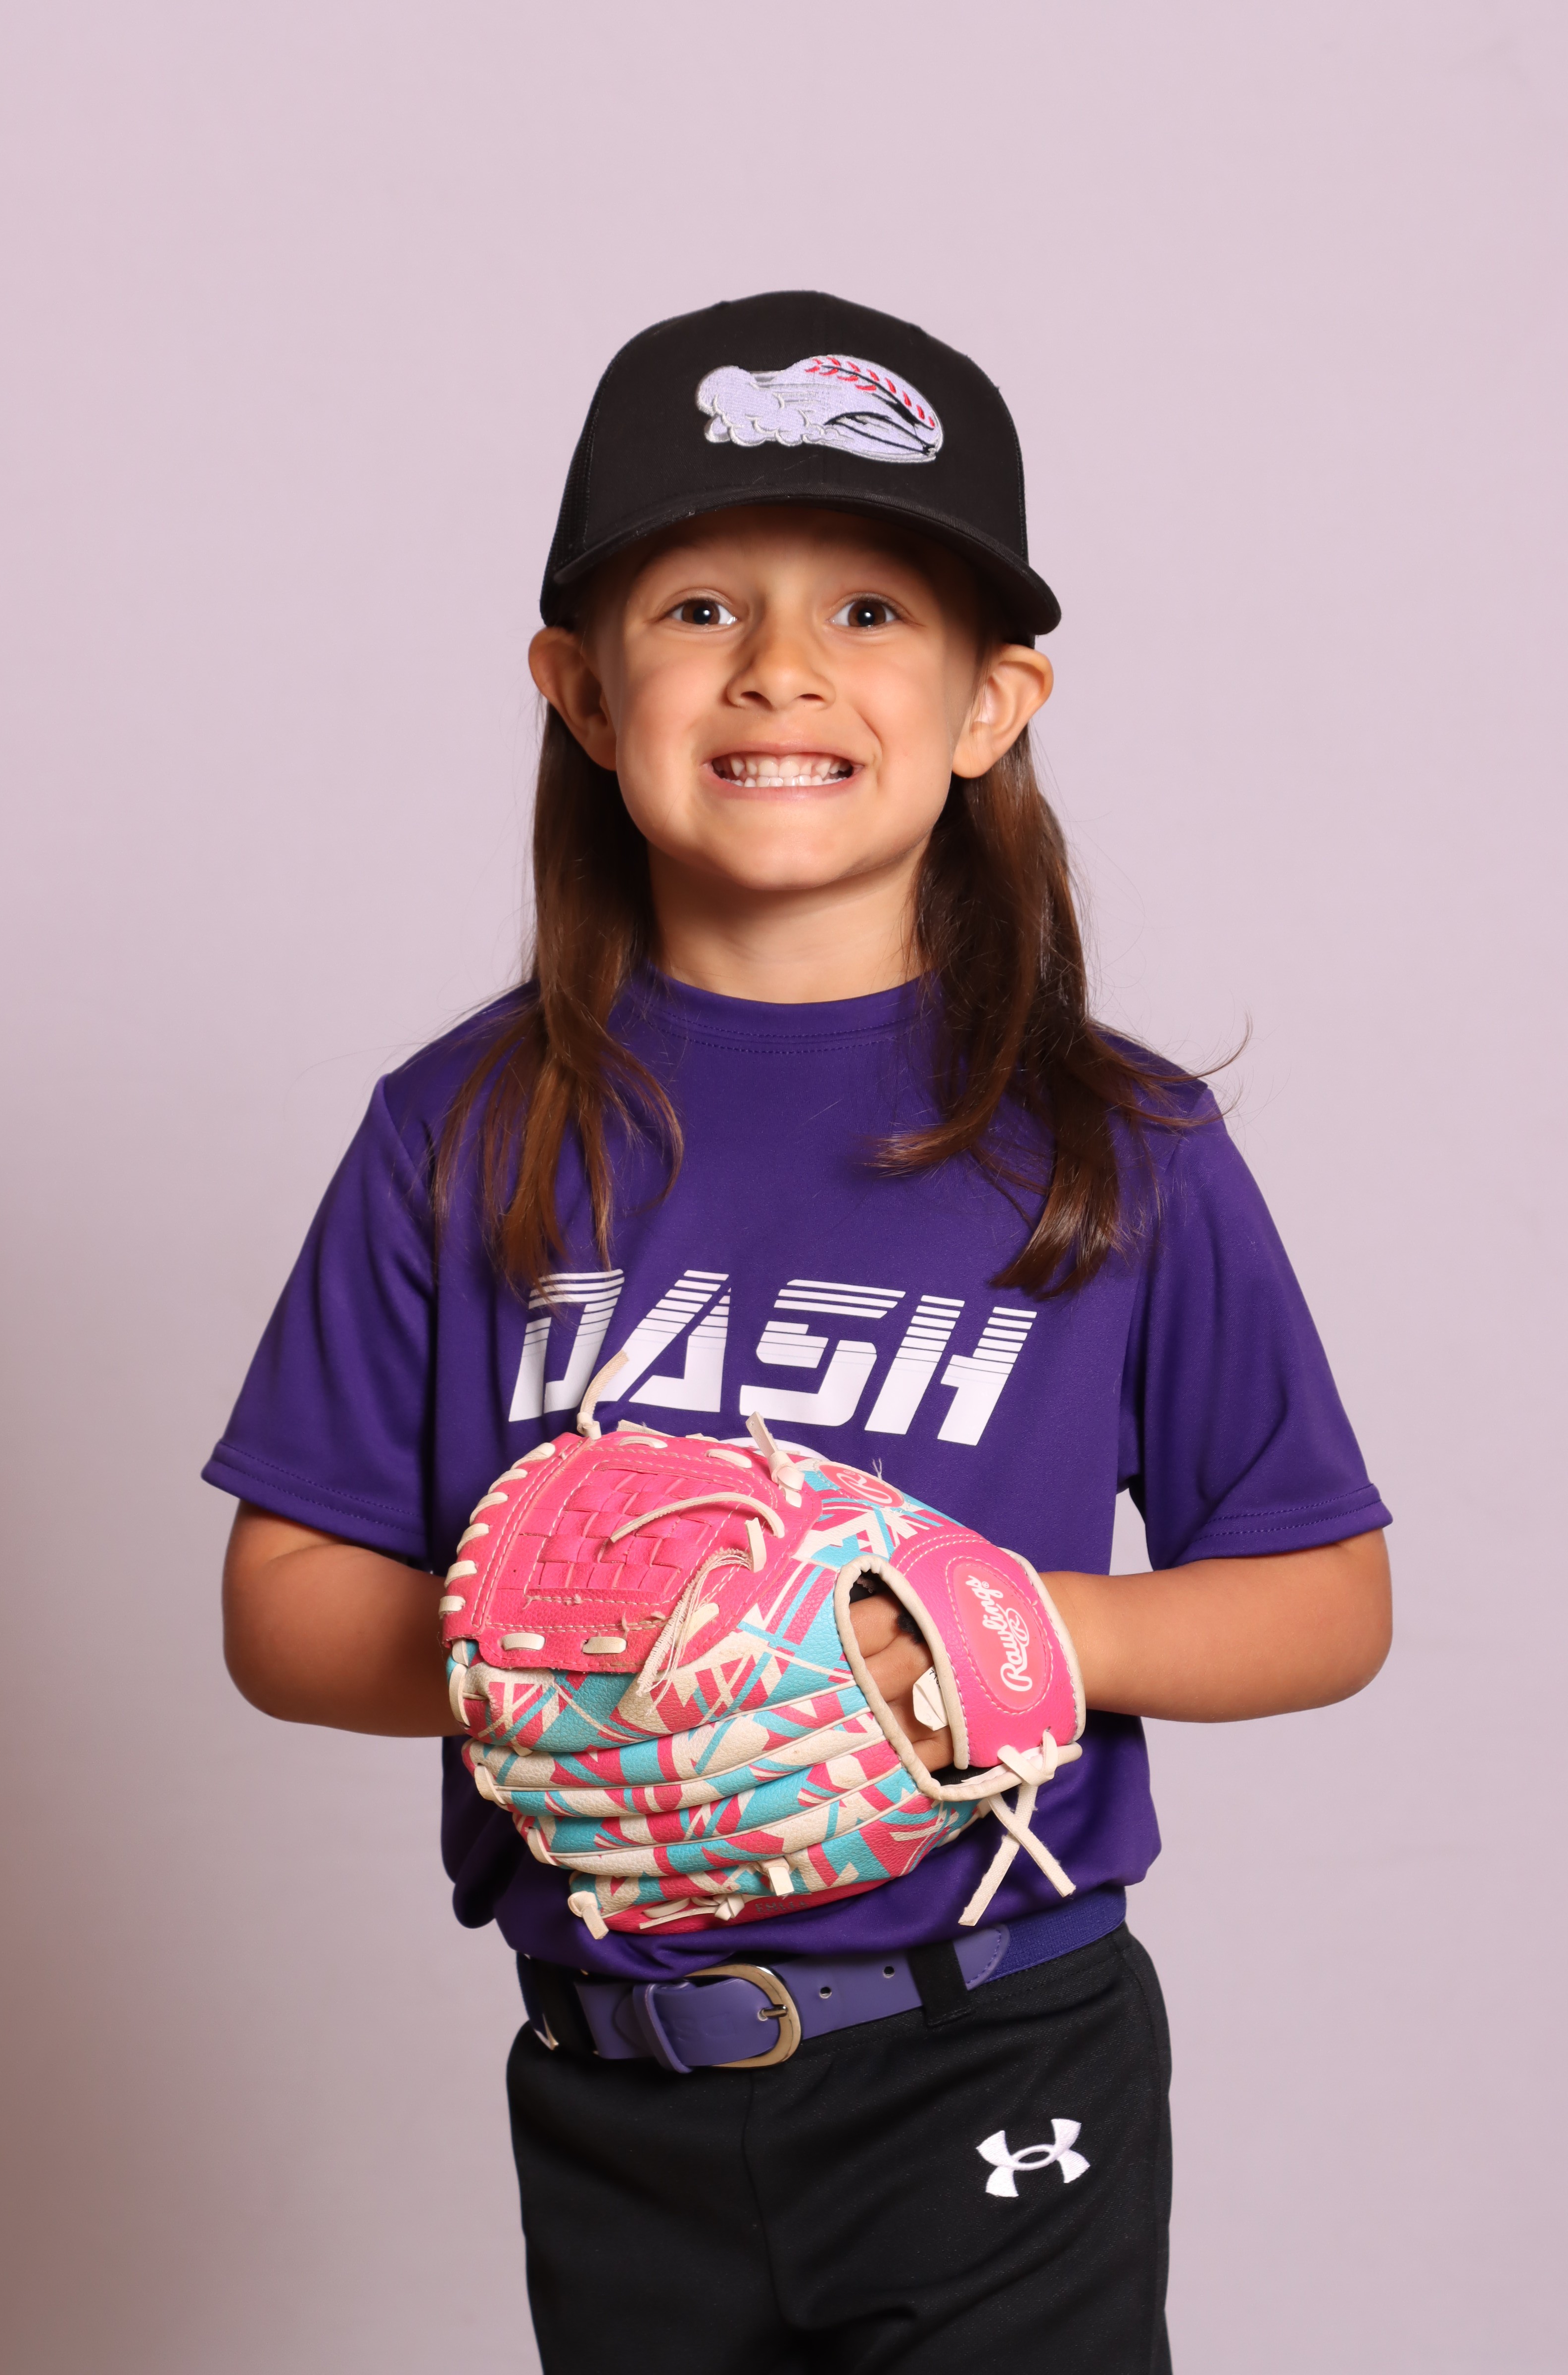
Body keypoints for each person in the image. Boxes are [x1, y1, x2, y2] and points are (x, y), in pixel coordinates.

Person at [208, 290, 1392, 2373]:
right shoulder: (461, 1130)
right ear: (581, 693)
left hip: (990, 2041)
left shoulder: (1113, 1145)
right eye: (696, 609)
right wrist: (597, 1661)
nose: (778, 666)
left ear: (990, 702)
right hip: (618, 2079)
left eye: (867, 610)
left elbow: (1324, 1599)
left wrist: (970, 1638)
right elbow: (287, 1609)